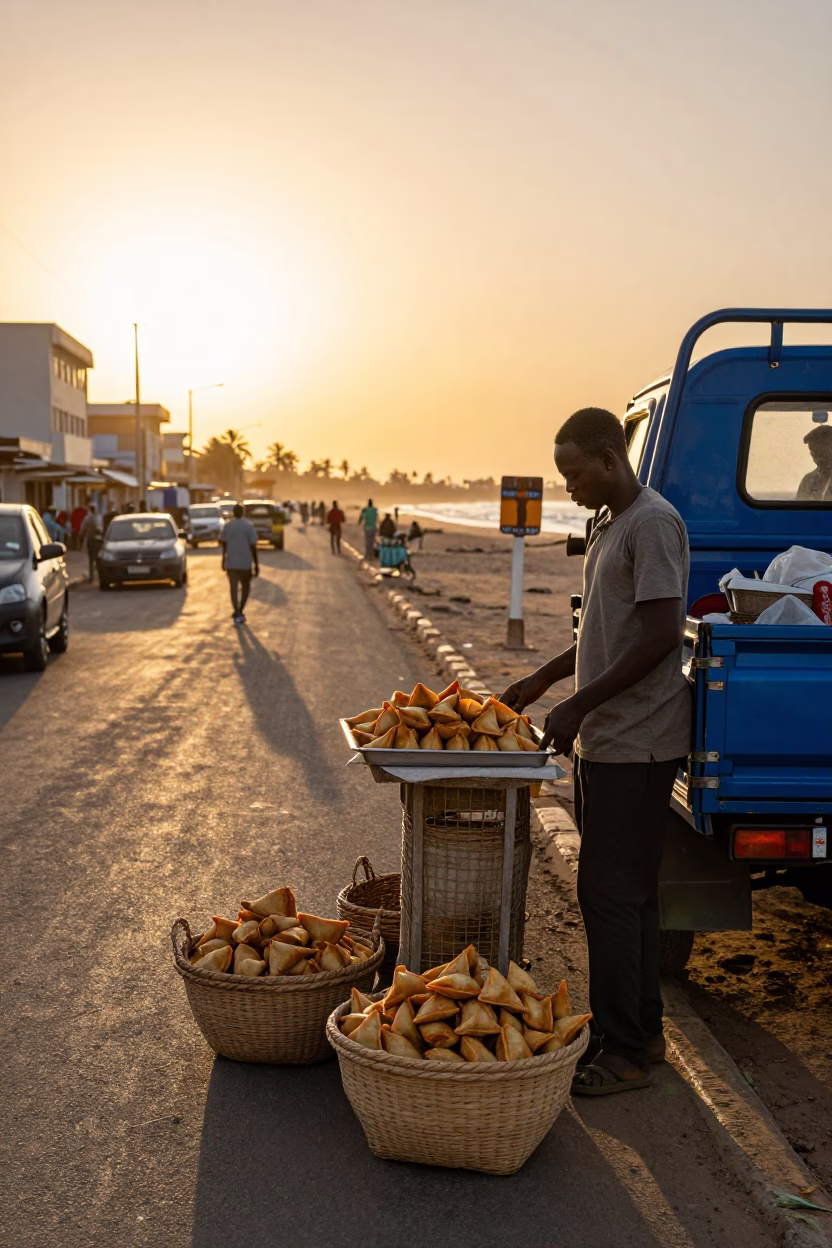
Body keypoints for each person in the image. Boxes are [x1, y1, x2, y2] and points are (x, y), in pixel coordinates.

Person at [502, 407, 691, 1097]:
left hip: (638, 746)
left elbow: (661, 634)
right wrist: (545, 679)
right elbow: (603, 632)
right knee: (630, 897)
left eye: (575, 474)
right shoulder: (606, 524)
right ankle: (645, 1032)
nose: (569, 488)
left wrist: (579, 705)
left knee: (608, 896)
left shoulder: (652, 524)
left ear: (611, 460)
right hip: (607, 742)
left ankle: (624, 1052)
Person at [220, 502, 259, 625]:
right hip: (245, 562)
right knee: (245, 588)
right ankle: (240, 609)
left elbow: (224, 544)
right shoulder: (248, 526)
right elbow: (253, 546)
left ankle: (236, 610)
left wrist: (223, 560)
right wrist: (256, 564)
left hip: (231, 562)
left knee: (233, 589)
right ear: (242, 513)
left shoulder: (228, 526)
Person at [796, 425, 832, 501]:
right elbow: (798, 510)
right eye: (813, 452)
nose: (817, 459)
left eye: (822, 452)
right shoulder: (808, 480)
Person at [79, 505, 102, 582]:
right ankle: (98, 575)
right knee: (97, 559)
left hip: (89, 540)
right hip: (96, 540)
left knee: (91, 559)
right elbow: (100, 529)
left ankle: (91, 576)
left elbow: (82, 530)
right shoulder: (97, 518)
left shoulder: (87, 518)